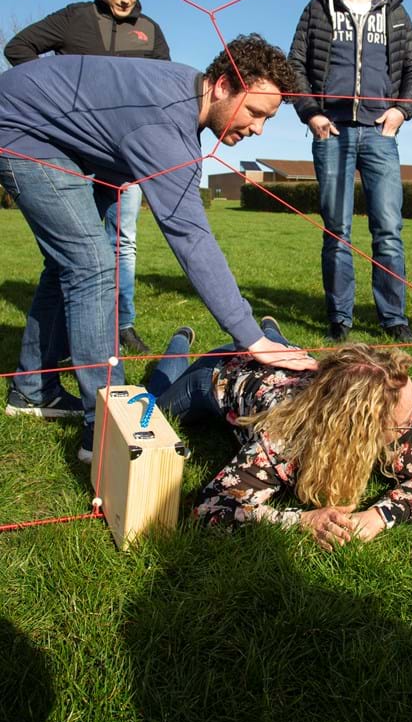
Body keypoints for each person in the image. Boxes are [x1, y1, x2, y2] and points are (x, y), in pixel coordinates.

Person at [0, 34, 315, 460]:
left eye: (267, 120)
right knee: (93, 266)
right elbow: (190, 237)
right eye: (257, 113)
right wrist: (252, 338)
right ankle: (105, 426)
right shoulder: (166, 126)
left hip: (46, 131)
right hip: (18, 129)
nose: (258, 128)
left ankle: (33, 390)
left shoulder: (182, 103)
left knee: (71, 264)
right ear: (223, 86)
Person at [149, 317, 412, 547]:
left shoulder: (394, 402)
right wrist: (301, 521)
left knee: (280, 348)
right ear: (359, 428)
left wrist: (377, 518)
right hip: (219, 373)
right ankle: (180, 342)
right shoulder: (284, 436)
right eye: (405, 420)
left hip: (284, 358)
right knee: (151, 409)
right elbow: (211, 507)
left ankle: (269, 331)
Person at [4, 0, 171, 354]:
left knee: (122, 240)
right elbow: (18, 47)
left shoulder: (149, 30)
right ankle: (77, 333)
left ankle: (121, 324)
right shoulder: (75, 18)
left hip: (121, 158)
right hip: (72, 154)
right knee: (76, 253)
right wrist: (53, 97)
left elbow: (162, 87)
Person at [289, 0, 412, 344]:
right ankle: (339, 318)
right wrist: (311, 113)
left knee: (388, 229)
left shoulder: (396, 13)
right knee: (337, 230)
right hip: (331, 130)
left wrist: (400, 112)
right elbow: (295, 65)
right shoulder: (318, 9)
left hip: (379, 135)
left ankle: (392, 318)